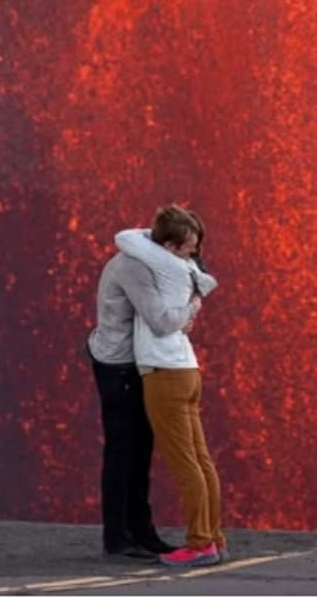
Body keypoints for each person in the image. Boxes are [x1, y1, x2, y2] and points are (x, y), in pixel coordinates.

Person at [86, 207, 203, 558]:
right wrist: (192, 307)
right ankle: (120, 536)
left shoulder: (146, 261)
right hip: (119, 365)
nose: (191, 256)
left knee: (139, 451)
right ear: (167, 245)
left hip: (132, 363)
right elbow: (160, 320)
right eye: (186, 249)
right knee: (124, 452)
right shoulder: (136, 267)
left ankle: (140, 530)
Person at [115, 206, 226, 567]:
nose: (190, 252)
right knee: (202, 461)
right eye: (186, 245)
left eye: (190, 246)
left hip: (164, 372)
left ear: (162, 244)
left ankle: (199, 545)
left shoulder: (167, 263)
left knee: (184, 464)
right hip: (186, 369)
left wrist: (159, 236)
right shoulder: (190, 270)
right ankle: (213, 538)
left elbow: (125, 237)